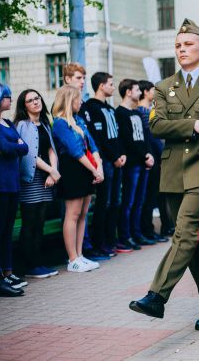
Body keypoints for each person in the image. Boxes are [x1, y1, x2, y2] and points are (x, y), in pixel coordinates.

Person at [129, 19, 199, 330]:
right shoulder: (163, 87)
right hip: (172, 173)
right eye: (177, 46)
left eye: (187, 44)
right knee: (191, 244)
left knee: (184, 235)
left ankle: (157, 296)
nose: (182, 50)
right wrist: (194, 125)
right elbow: (156, 126)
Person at [0, 83, 29, 296]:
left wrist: (14, 146)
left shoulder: (8, 122)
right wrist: (14, 145)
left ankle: (7, 272)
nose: (10, 100)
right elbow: (7, 146)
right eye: (7, 96)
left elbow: (24, 147)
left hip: (12, 182)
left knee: (7, 230)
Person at [52, 84, 104, 273]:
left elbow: (92, 145)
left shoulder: (79, 119)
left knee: (83, 215)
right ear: (69, 100)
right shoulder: (59, 123)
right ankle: (72, 258)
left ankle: (80, 255)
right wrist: (95, 170)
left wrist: (99, 168)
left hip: (87, 169)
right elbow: (75, 150)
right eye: (78, 98)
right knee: (72, 214)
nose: (81, 102)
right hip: (73, 169)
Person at [14, 89, 60, 279]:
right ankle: (30, 265)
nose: (35, 102)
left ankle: (39, 263)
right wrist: (51, 170)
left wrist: (53, 172)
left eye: (37, 98)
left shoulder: (44, 124)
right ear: (24, 106)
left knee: (39, 223)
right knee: (30, 224)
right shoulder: (22, 125)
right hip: (30, 180)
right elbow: (28, 154)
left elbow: (51, 150)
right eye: (30, 100)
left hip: (45, 181)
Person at [79, 72, 125, 257]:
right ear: (101, 86)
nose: (113, 87)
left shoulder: (111, 109)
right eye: (111, 84)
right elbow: (98, 139)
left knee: (116, 201)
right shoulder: (91, 108)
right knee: (103, 203)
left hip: (118, 161)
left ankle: (111, 240)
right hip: (105, 162)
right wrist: (113, 156)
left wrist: (121, 154)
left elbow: (117, 135)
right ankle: (100, 242)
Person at [115, 79, 155, 249]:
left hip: (144, 162)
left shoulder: (138, 113)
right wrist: (144, 155)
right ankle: (126, 236)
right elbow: (127, 140)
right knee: (129, 202)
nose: (140, 93)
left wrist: (149, 155)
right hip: (132, 164)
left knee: (140, 201)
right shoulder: (121, 113)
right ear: (128, 92)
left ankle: (137, 234)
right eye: (137, 90)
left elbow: (145, 137)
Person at [137, 80, 168, 243]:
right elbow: (152, 137)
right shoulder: (142, 112)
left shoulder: (148, 110)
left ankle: (153, 229)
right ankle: (147, 229)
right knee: (149, 196)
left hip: (157, 157)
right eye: (153, 90)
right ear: (146, 92)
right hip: (152, 158)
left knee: (155, 195)